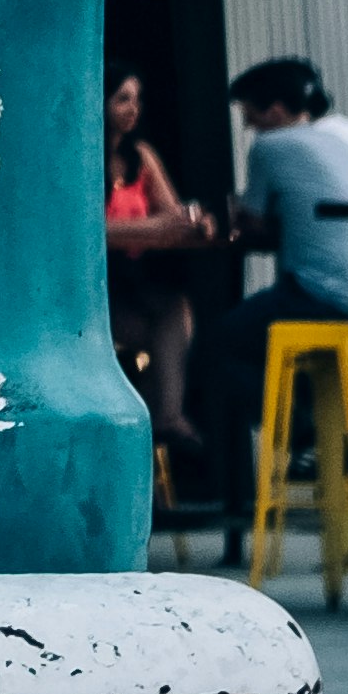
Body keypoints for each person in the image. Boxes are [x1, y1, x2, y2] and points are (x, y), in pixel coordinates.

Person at [192, 57, 348, 468]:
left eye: (251, 116)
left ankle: (301, 431)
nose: (249, 128)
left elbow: (253, 220)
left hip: (325, 294)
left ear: (275, 111)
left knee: (217, 344)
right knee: (272, 338)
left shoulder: (271, 145)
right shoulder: (338, 142)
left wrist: (227, 209)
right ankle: (319, 435)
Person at [99, 72, 215, 480]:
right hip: (95, 292)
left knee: (176, 310)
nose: (133, 109)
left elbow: (174, 213)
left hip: (134, 278)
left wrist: (195, 224)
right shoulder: (78, 154)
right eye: (122, 99)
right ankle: (140, 443)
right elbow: (85, 231)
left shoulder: (140, 155)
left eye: (137, 99)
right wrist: (155, 229)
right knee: (146, 355)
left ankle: (167, 417)